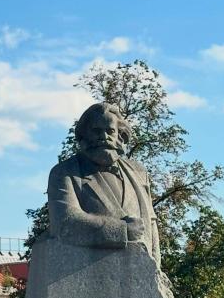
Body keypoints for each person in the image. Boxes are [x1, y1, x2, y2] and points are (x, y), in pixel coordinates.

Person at [47, 102, 161, 268]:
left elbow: (151, 225)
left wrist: (156, 268)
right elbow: (66, 223)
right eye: (96, 131)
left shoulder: (138, 173)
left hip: (141, 274)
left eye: (110, 131)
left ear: (119, 136)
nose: (104, 136)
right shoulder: (64, 172)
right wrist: (122, 230)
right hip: (90, 274)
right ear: (84, 135)